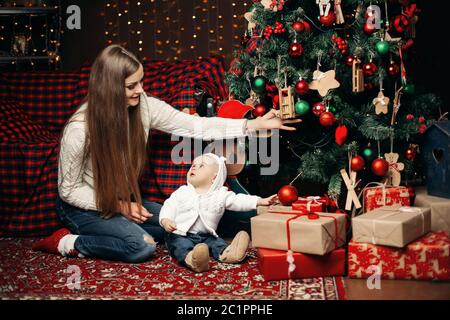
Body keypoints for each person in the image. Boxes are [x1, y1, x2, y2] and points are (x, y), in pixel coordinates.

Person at [32, 44, 300, 263]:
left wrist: (253, 124)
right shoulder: (79, 130)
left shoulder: (144, 107)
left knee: (176, 222)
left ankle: (210, 250)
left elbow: (196, 126)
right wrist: (119, 207)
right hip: (83, 207)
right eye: (131, 86)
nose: (140, 90)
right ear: (109, 89)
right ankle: (68, 241)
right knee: (140, 247)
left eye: (140, 82)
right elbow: (68, 190)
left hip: (121, 201)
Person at [160, 153, 277, 272]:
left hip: (206, 235)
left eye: (201, 166)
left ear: (214, 178)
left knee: (217, 243)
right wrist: (165, 220)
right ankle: (192, 259)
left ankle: (228, 253)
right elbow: (169, 206)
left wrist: (260, 201)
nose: (194, 167)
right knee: (180, 245)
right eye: (193, 165)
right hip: (181, 233)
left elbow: (239, 200)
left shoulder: (220, 194)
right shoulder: (182, 192)